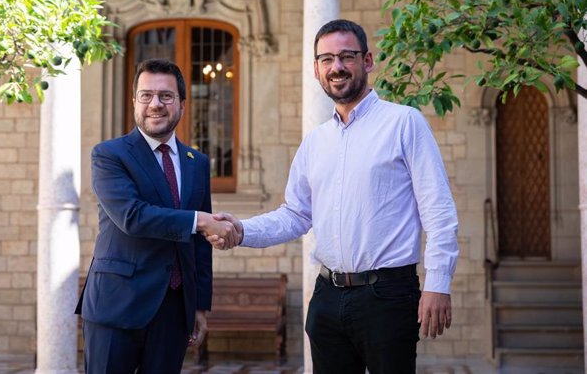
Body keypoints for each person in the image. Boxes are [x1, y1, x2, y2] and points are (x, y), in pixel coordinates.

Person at [209, 19, 459, 374]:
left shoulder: (405, 123)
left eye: (346, 56)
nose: (336, 67)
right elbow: (295, 214)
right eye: (326, 59)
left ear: (368, 61)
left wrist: (438, 283)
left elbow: (439, 212)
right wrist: (241, 230)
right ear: (316, 69)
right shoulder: (315, 141)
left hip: (387, 295)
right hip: (327, 297)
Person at [76, 58, 239, 374]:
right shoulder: (110, 155)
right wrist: (199, 220)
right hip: (116, 306)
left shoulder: (198, 162)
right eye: (146, 95)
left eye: (166, 96)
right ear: (134, 101)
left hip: (173, 310)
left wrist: (199, 305)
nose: (156, 104)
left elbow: (200, 246)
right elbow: (132, 217)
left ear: (181, 103)